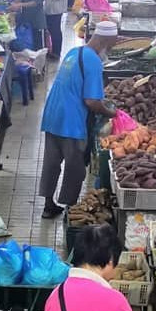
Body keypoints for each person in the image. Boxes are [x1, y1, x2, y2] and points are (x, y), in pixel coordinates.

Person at [38, 21, 120, 219]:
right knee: (75, 167)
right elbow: (91, 101)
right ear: (105, 40)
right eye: (111, 44)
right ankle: (71, 209)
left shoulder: (74, 52)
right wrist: (111, 113)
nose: (110, 49)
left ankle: (49, 205)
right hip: (71, 121)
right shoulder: (93, 61)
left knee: (51, 162)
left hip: (53, 114)